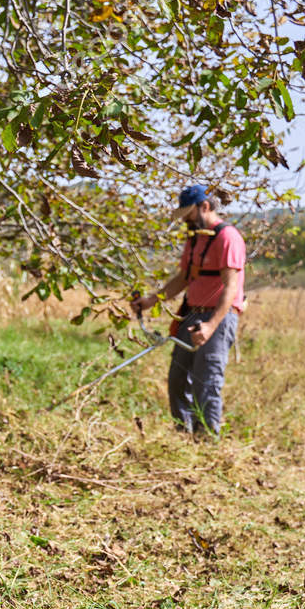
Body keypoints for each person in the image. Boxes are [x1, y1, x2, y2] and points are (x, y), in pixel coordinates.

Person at [131, 184, 246, 437]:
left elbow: (231, 288)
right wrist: (152, 300)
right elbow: (183, 278)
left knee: (206, 383)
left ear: (205, 207)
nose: (185, 221)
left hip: (218, 318)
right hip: (191, 314)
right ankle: (184, 437)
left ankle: (207, 441)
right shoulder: (195, 239)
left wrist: (211, 325)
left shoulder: (228, 238)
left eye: (189, 215)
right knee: (178, 381)